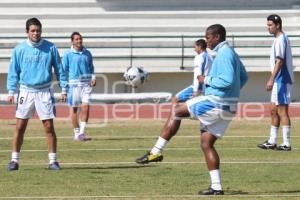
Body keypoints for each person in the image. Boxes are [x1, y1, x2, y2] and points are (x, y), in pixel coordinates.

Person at [136, 24, 248, 195]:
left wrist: (206, 79)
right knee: (206, 143)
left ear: (217, 37)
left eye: (208, 37)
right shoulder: (230, 53)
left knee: (176, 111)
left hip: (216, 101)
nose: (206, 40)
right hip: (229, 105)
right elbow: (243, 77)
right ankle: (216, 187)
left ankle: (155, 152)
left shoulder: (224, 54)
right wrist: (231, 93)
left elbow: (227, 80)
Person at [135, 39, 212, 164]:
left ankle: (173, 123)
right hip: (206, 88)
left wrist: (197, 90)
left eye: (194, 47)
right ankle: (177, 120)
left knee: (175, 103)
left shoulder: (199, 57)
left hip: (198, 87)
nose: (193, 49)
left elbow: (199, 74)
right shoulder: (210, 57)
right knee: (177, 102)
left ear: (199, 47)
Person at [6, 17, 67, 171]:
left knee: (48, 127)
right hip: (25, 91)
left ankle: (53, 161)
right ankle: (14, 160)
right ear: (27, 32)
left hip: (44, 91)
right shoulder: (19, 49)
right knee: (20, 126)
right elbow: (14, 71)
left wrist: (64, 88)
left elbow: (59, 70)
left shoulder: (50, 47)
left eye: (38, 30)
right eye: (32, 30)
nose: (35, 33)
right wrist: (11, 91)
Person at [257, 14, 294, 151]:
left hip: (282, 80)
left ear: (278, 25)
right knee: (273, 110)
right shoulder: (278, 39)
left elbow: (280, 61)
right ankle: (272, 141)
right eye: (268, 25)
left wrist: (272, 79)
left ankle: (286, 143)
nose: (268, 27)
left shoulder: (280, 39)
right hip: (279, 80)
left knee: (282, 111)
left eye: (270, 25)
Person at [62, 32, 96, 141]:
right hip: (74, 84)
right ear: (72, 41)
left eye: (80, 39)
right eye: (76, 39)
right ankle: (76, 132)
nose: (79, 41)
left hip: (86, 84)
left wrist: (93, 77)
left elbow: (91, 67)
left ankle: (82, 133)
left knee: (86, 107)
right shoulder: (67, 54)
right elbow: (63, 71)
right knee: (74, 109)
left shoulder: (87, 53)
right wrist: (64, 88)